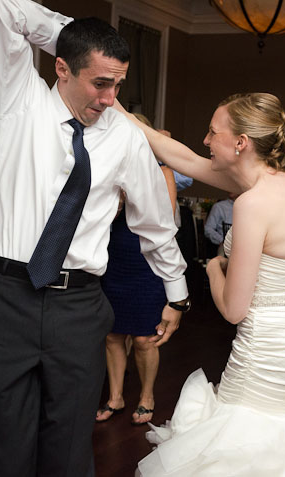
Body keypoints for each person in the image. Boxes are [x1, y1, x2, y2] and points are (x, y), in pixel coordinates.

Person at [0, 1, 188, 474]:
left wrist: (177, 293)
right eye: (100, 82)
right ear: (61, 69)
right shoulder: (18, 98)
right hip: (3, 298)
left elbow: (155, 222)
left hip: (80, 306)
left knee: (69, 445)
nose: (111, 98)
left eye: (119, 84)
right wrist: (72, 34)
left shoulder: (124, 137)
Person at [120, 92, 285, 476]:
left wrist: (210, 269)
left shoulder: (252, 203)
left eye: (212, 132)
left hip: (271, 341)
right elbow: (185, 157)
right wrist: (119, 110)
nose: (206, 141)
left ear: (241, 143)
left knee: (239, 438)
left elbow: (233, 310)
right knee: (276, 435)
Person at [97, 114, 178, 426]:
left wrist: (129, 195)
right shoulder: (109, 171)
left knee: (145, 338)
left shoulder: (162, 171)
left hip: (147, 261)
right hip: (114, 257)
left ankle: (147, 396)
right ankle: (115, 397)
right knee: (113, 335)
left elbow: (164, 218)